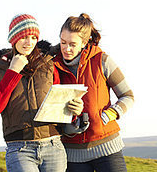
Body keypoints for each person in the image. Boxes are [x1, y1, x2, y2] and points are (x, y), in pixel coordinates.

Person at [0, 13, 84, 172]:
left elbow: (59, 101)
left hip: (53, 146)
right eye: (23, 37)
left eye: (33, 37)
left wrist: (75, 111)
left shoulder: (48, 62)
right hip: (19, 149)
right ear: (13, 38)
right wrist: (13, 72)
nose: (29, 42)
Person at [54, 13, 134, 172]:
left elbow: (128, 96)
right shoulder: (52, 65)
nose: (67, 48)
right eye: (63, 42)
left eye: (72, 44)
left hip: (107, 148)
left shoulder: (102, 60)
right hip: (72, 153)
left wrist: (108, 115)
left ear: (84, 43)